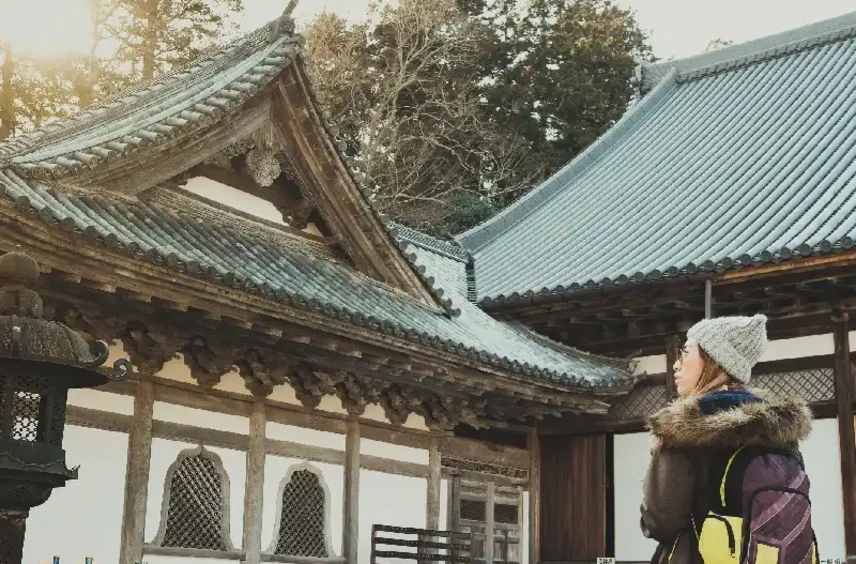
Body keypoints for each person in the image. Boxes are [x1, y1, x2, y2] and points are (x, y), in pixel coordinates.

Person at [640, 314, 814, 564]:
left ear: (714, 360)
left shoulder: (683, 427)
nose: (677, 364)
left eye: (686, 352)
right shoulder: (777, 430)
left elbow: (660, 521)